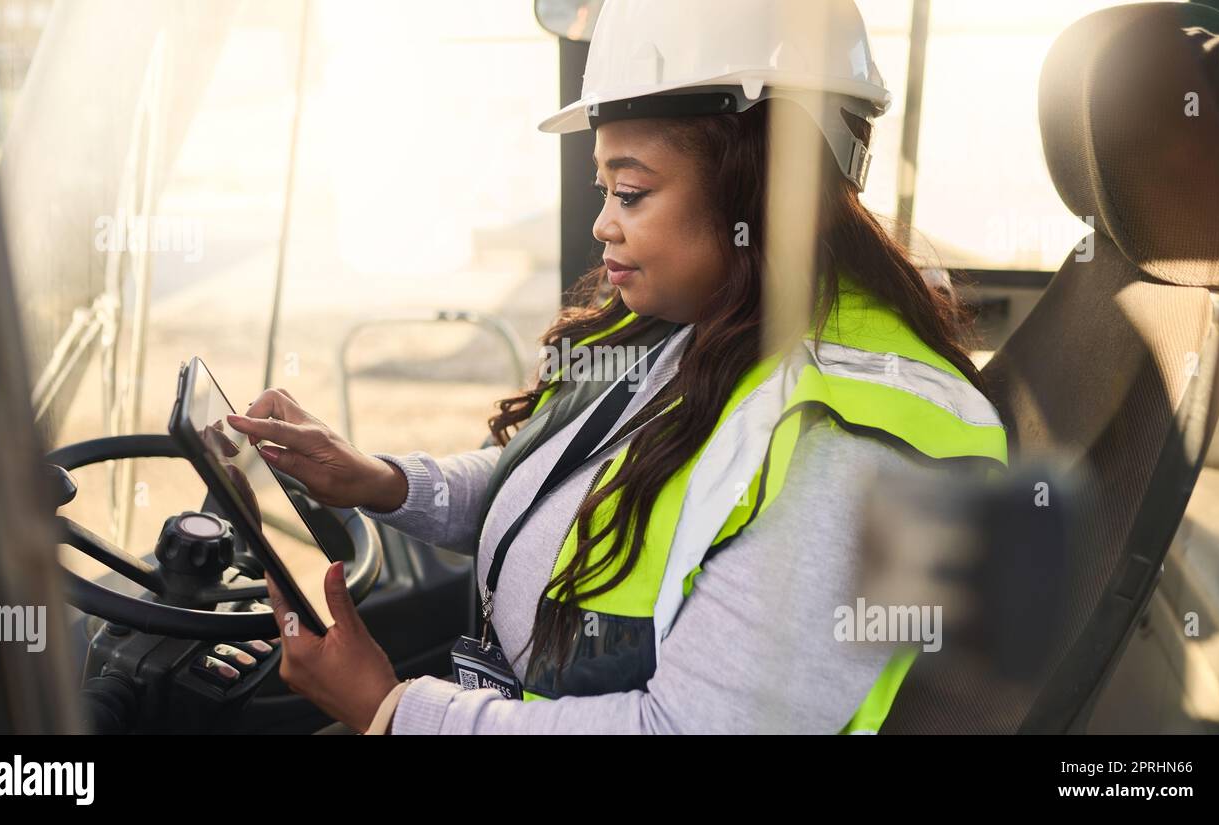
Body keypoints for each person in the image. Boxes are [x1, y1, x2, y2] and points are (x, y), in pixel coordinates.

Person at [227, 0, 1007, 734]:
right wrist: (386, 482)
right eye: (603, 189)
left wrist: (392, 710)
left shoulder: (849, 452)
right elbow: (561, 494)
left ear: (767, 188)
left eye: (632, 192)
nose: (602, 222)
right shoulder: (706, 318)